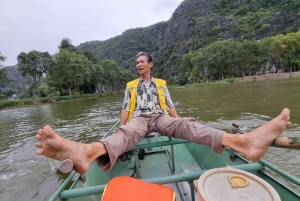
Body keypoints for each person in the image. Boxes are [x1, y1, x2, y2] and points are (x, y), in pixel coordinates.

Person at [35, 52, 292, 174]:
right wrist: (119, 128)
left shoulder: (161, 84)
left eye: (141, 62)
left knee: (188, 126)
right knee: (125, 134)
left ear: (150, 64)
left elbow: (170, 107)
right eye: (135, 62)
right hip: (138, 120)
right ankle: (87, 151)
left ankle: (243, 143)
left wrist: (178, 120)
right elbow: (125, 109)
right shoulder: (131, 86)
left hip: (160, 117)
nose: (138, 65)